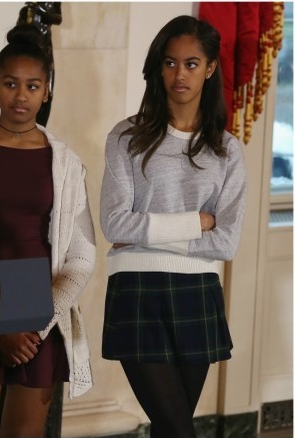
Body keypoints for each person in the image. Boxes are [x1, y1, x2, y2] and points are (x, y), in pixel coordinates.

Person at [0, 25, 96, 437]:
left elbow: (81, 256)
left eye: (32, 85)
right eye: (11, 84)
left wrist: (37, 325)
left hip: (40, 316)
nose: (21, 95)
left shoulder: (66, 162)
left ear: (46, 91)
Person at [100, 16, 247, 438]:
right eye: (169, 63)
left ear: (211, 68)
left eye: (191, 63)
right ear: (158, 68)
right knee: (178, 430)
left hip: (197, 293)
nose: (179, 74)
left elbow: (227, 240)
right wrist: (196, 223)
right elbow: (114, 222)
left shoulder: (227, 150)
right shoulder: (125, 137)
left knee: (172, 430)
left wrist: (146, 234)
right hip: (137, 290)